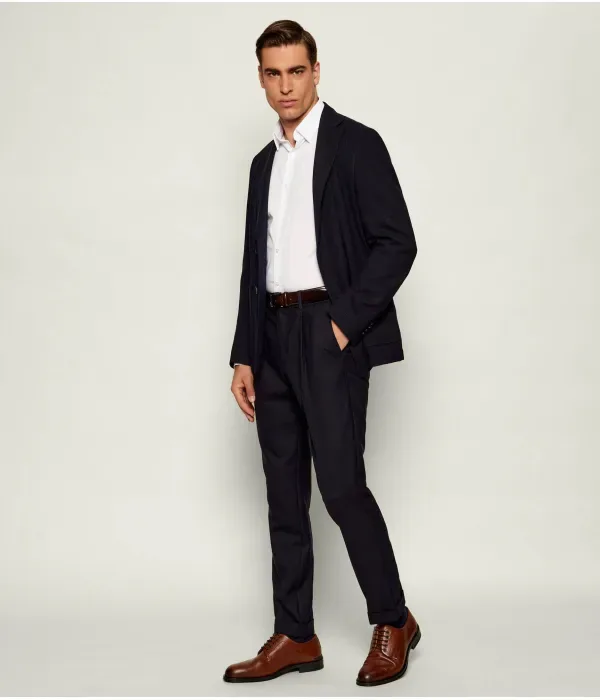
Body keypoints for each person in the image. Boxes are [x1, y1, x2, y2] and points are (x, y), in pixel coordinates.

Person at [224, 19, 421, 687]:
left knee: (340, 487)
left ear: (315, 71)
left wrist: (343, 323)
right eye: (273, 73)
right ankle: (296, 635)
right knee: (283, 495)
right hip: (271, 337)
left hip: (328, 331)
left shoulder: (356, 145)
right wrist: (245, 353)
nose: (285, 85)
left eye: (296, 71)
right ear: (261, 78)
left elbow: (397, 242)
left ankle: (392, 618)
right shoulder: (263, 164)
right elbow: (254, 265)